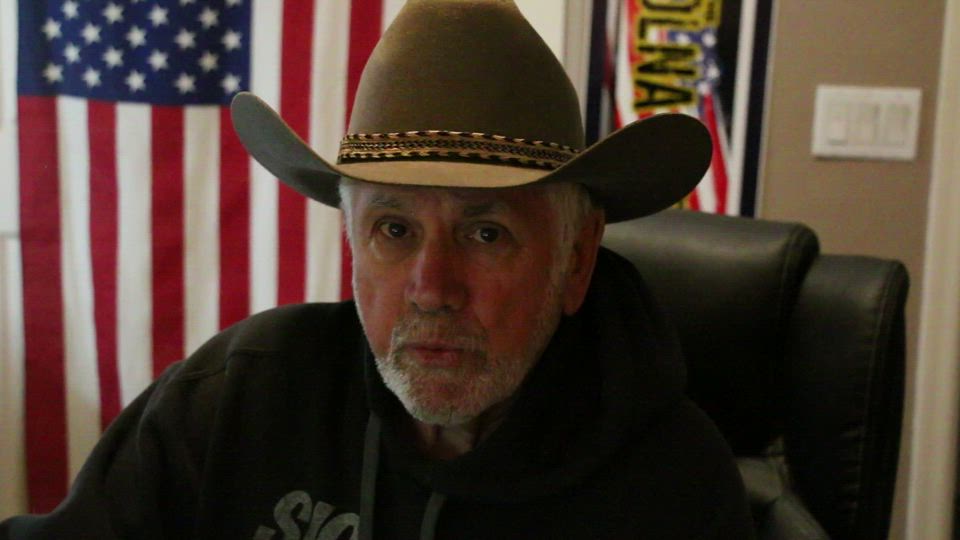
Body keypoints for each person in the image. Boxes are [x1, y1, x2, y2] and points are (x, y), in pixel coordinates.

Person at [1, 1, 754, 538]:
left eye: (486, 233)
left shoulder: (673, 486)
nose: (432, 288)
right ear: (352, 242)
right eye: (394, 229)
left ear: (577, 260)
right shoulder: (238, 398)